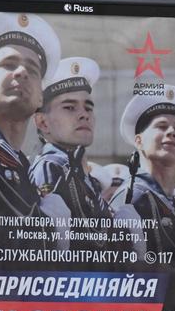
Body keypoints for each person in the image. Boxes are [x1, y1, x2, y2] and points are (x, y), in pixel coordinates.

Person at [0, 12, 67, 270]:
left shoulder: (21, 165)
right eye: (8, 64)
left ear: (41, 98)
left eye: (32, 69)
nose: (21, 72)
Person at [110, 84, 175, 311]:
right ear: (140, 141)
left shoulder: (173, 201)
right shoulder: (133, 198)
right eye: (162, 126)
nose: (172, 132)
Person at [30, 57, 114, 255]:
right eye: (69, 107)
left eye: (88, 107)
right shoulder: (50, 167)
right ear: (42, 123)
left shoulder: (82, 176)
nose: (84, 114)